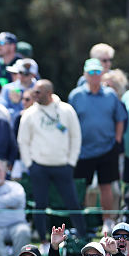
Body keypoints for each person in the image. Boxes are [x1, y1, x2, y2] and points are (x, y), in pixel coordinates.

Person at [18, 78, 85, 240]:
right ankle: (43, 238)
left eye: (38, 92)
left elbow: (76, 136)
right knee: (40, 204)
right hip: (39, 167)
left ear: (48, 93)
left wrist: (71, 162)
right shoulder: (29, 114)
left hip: (63, 165)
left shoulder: (66, 110)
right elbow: (23, 141)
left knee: (72, 202)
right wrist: (30, 164)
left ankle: (82, 236)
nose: (34, 94)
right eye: (33, 91)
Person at [68, 58, 127, 233]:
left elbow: (120, 119)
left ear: (102, 74)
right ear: (85, 74)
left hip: (107, 148)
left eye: (97, 72)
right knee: (81, 187)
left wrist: (117, 140)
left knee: (106, 186)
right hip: (82, 150)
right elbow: (70, 121)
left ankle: (107, 220)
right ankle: (81, 222)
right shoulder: (76, 95)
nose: (94, 75)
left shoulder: (110, 95)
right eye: (91, 72)